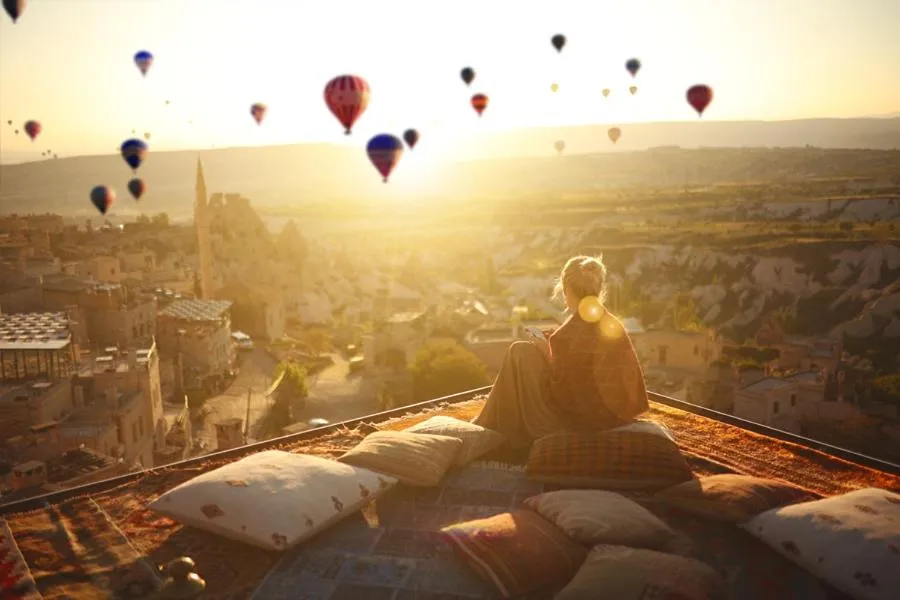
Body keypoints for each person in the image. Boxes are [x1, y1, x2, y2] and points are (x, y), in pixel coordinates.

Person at [473, 254, 649, 448]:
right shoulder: (610, 322)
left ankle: (489, 427)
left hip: (578, 425)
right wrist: (553, 344)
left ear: (565, 288)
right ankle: (490, 424)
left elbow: (563, 393)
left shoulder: (567, 334)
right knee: (523, 352)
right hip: (616, 416)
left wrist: (545, 349)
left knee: (519, 352)